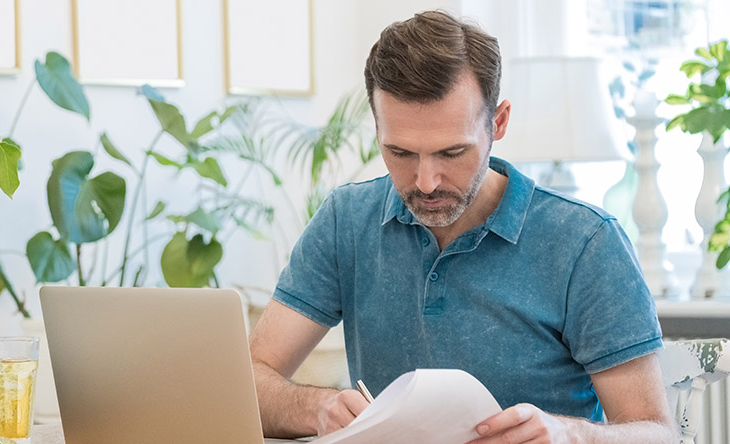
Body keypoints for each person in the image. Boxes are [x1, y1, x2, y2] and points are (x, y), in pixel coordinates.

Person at [248, 9, 676, 444]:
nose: (425, 182)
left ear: (499, 122)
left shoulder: (585, 241)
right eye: (400, 152)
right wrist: (316, 409)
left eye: (451, 153)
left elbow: (658, 434)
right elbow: (249, 382)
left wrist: (570, 434)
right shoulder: (346, 220)